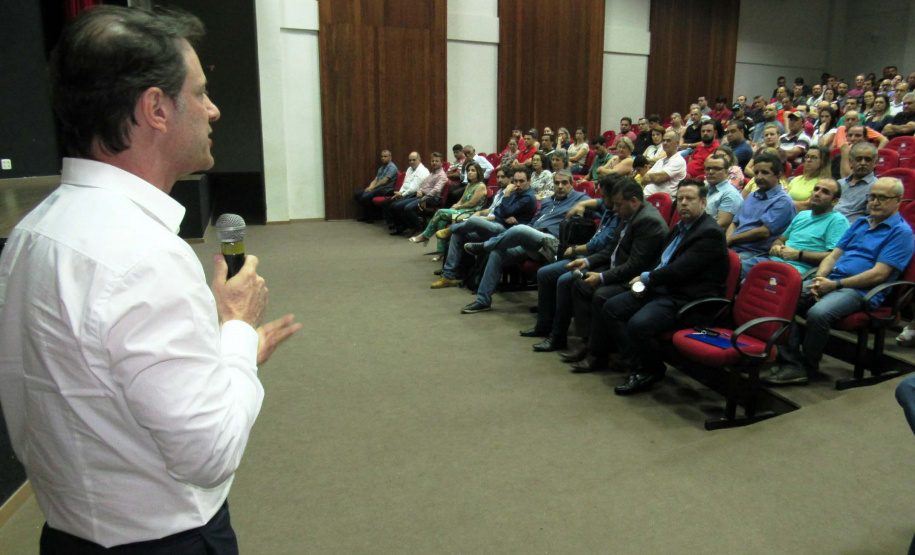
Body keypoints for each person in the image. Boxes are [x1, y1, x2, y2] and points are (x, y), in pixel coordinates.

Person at [0, 7, 302, 551]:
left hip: (67, 534)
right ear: (156, 108)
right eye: (201, 92)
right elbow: (210, 454)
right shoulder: (145, 256)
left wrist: (223, 356)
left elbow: (96, 383)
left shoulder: (34, 232)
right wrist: (235, 331)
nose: (213, 110)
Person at [768, 177, 915, 385]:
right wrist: (821, 278)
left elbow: (879, 274)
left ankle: (808, 366)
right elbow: (833, 256)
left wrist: (835, 285)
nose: (874, 202)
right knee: (783, 298)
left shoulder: (901, 232)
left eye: (882, 198)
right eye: (872, 196)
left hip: (862, 290)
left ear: (898, 201)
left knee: (818, 313)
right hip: (833, 280)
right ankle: (792, 362)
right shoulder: (861, 224)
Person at [599, 181, 731, 394]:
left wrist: (645, 277)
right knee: (612, 307)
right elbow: (662, 261)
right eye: (680, 199)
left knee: (638, 324)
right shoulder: (680, 227)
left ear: (704, 202)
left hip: (687, 298)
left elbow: (679, 270)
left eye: (690, 199)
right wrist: (647, 279)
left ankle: (650, 370)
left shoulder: (709, 233)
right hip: (663, 288)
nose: (684, 203)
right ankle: (635, 364)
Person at [555, 180, 668, 365]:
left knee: (600, 294)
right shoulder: (628, 215)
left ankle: (597, 354)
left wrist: (601, 277)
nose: (614, 209)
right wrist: (587, 261)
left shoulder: (649, 222)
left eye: (618, 204)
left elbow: (635, 266)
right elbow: (611, 249)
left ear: (633, 201)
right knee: (578, 285)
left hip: (637, 280)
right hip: (619, 270)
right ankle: (587, 342)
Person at [457, 169, 588, 314]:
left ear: (571, 184)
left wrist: (586, 206)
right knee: (497, 253)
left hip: (552, 243)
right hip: (532, 240)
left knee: (520, 229)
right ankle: (483, 301)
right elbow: (533, 221)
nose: (560, 186)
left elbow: (603, 207)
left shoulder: (580, 199)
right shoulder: (547, 201)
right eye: (557, 183)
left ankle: (484, 246)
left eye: (564, 183)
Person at [431, 166, 538, 289]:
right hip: (497, 225)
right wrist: (505, 214)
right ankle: (448, 276)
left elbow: (503, 211)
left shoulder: (527, 197)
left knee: (473, 220)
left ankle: (450, 229)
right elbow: (498, 210)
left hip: (506, 232)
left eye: (521, 181)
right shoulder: (516, 193)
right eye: (516, 181)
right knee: (458, 235)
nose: (517, 184)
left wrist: (507, 196)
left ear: (529, 181)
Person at [741, 178, 849, 278]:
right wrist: (776, 246)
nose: (817, 193)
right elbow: (781, 239)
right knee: (732, 265)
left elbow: (833, 256)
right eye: (816, 189)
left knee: (747, 284)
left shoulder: (837, 221)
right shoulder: (802, 215)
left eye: (825, 192)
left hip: (796, 270)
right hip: (771, 261)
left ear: (834, 201)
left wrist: (799, 255)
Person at [727, 152, 796, 276]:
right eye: (756, 172)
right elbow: (735, 223)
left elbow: (763, 232)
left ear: (778, 175)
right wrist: (726, 241)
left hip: (755, 253)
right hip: (735, 247)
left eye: (764, 172)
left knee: (720, 265)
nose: (759, 177)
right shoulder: (752, 196)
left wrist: (731, 239)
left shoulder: (783, 201)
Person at [409, 161, 487, 248]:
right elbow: (462, 200)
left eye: (473, 170)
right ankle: (441, 251)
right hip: (462, 210)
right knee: (441, 222)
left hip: (471, 212)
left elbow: (472, 203)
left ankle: (425, 235)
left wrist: (459, 206)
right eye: (468, 170)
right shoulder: (469, 185)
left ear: (478, 172)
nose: (470, 172)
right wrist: (455, 206)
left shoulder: (481, 186)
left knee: (440, 212)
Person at [389, 152, 448, 234]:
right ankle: (403, 226)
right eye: (432, 161)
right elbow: (423, 184)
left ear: (441, 163)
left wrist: (424, 198)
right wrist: (420, 190)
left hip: (432, 198)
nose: (434, 163)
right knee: (399, 205)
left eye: (436, 161)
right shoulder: (432, 173)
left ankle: (418, 227)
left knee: (408, 208)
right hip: (422, 196)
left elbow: (436, 190)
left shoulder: (442, 175)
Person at [382, 152, 429, 230]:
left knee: (395, 205)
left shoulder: (422, 171)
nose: (411, 162)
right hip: (406, 193)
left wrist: (402, 195)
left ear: (419, 160)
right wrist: (400, 192)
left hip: (415, 194)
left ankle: (404, 225)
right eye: (410, 160)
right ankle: (397, 224)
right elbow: (405, 184)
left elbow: (414, 188)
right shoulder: (409, 169)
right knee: (386, 203)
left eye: (414, 160)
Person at [835, 141, 879, 222]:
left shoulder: (877, 187)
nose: (863, 163)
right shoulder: (839, 184)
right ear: (851, 162)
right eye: (858, 159)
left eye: (868, 160)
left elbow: (871, 219)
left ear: (875, 163)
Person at [354, 149, 398, 222]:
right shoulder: (382, 167)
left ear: (390, 157)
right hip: (377, 188)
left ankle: (370, 217)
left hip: (385, 189)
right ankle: (368, 215)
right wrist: (370, 187)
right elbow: (375, 179)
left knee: (366, 196)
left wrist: (372, 188)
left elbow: (384, 181)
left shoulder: (392, 167)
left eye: (385, 156)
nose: (383, 158)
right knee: (358, 194)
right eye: (382, 156)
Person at [643, 131, 687, 199]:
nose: (665, 143)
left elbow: (658, 178)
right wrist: (656, 177)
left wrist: (652, 176)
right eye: (663, 140)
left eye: (668, 141)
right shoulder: (660, 161)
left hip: (663, 200)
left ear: (677, 143)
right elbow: (644, 179)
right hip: (647, 196)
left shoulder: (679, 160)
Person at [787, 145, 832, 211]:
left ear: (823, 162)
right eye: (807, 157)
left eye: (813, 157)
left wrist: (785, 204)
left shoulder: (824, 183)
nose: (808, 160)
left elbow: (807, 205)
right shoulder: (796, 179)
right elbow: (783, 197)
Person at [704, 156, 743, 229]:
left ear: (726, 172)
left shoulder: (730, 194)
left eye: (716, 169)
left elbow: (722, 225)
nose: (710, 172)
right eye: (708, 169)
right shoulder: (705, 188)